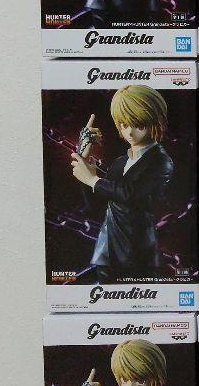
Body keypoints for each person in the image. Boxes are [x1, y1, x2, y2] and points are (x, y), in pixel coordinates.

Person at [70, 85, 173, 282]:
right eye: (124, 125)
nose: (130, 132)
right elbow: (99, 201)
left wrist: (92, 179)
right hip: (106, 251)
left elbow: (130, 194)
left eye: (138, 124)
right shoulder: (120, 162)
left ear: (155, 120)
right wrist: (85, 159)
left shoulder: (161, 161)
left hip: (137, 254)